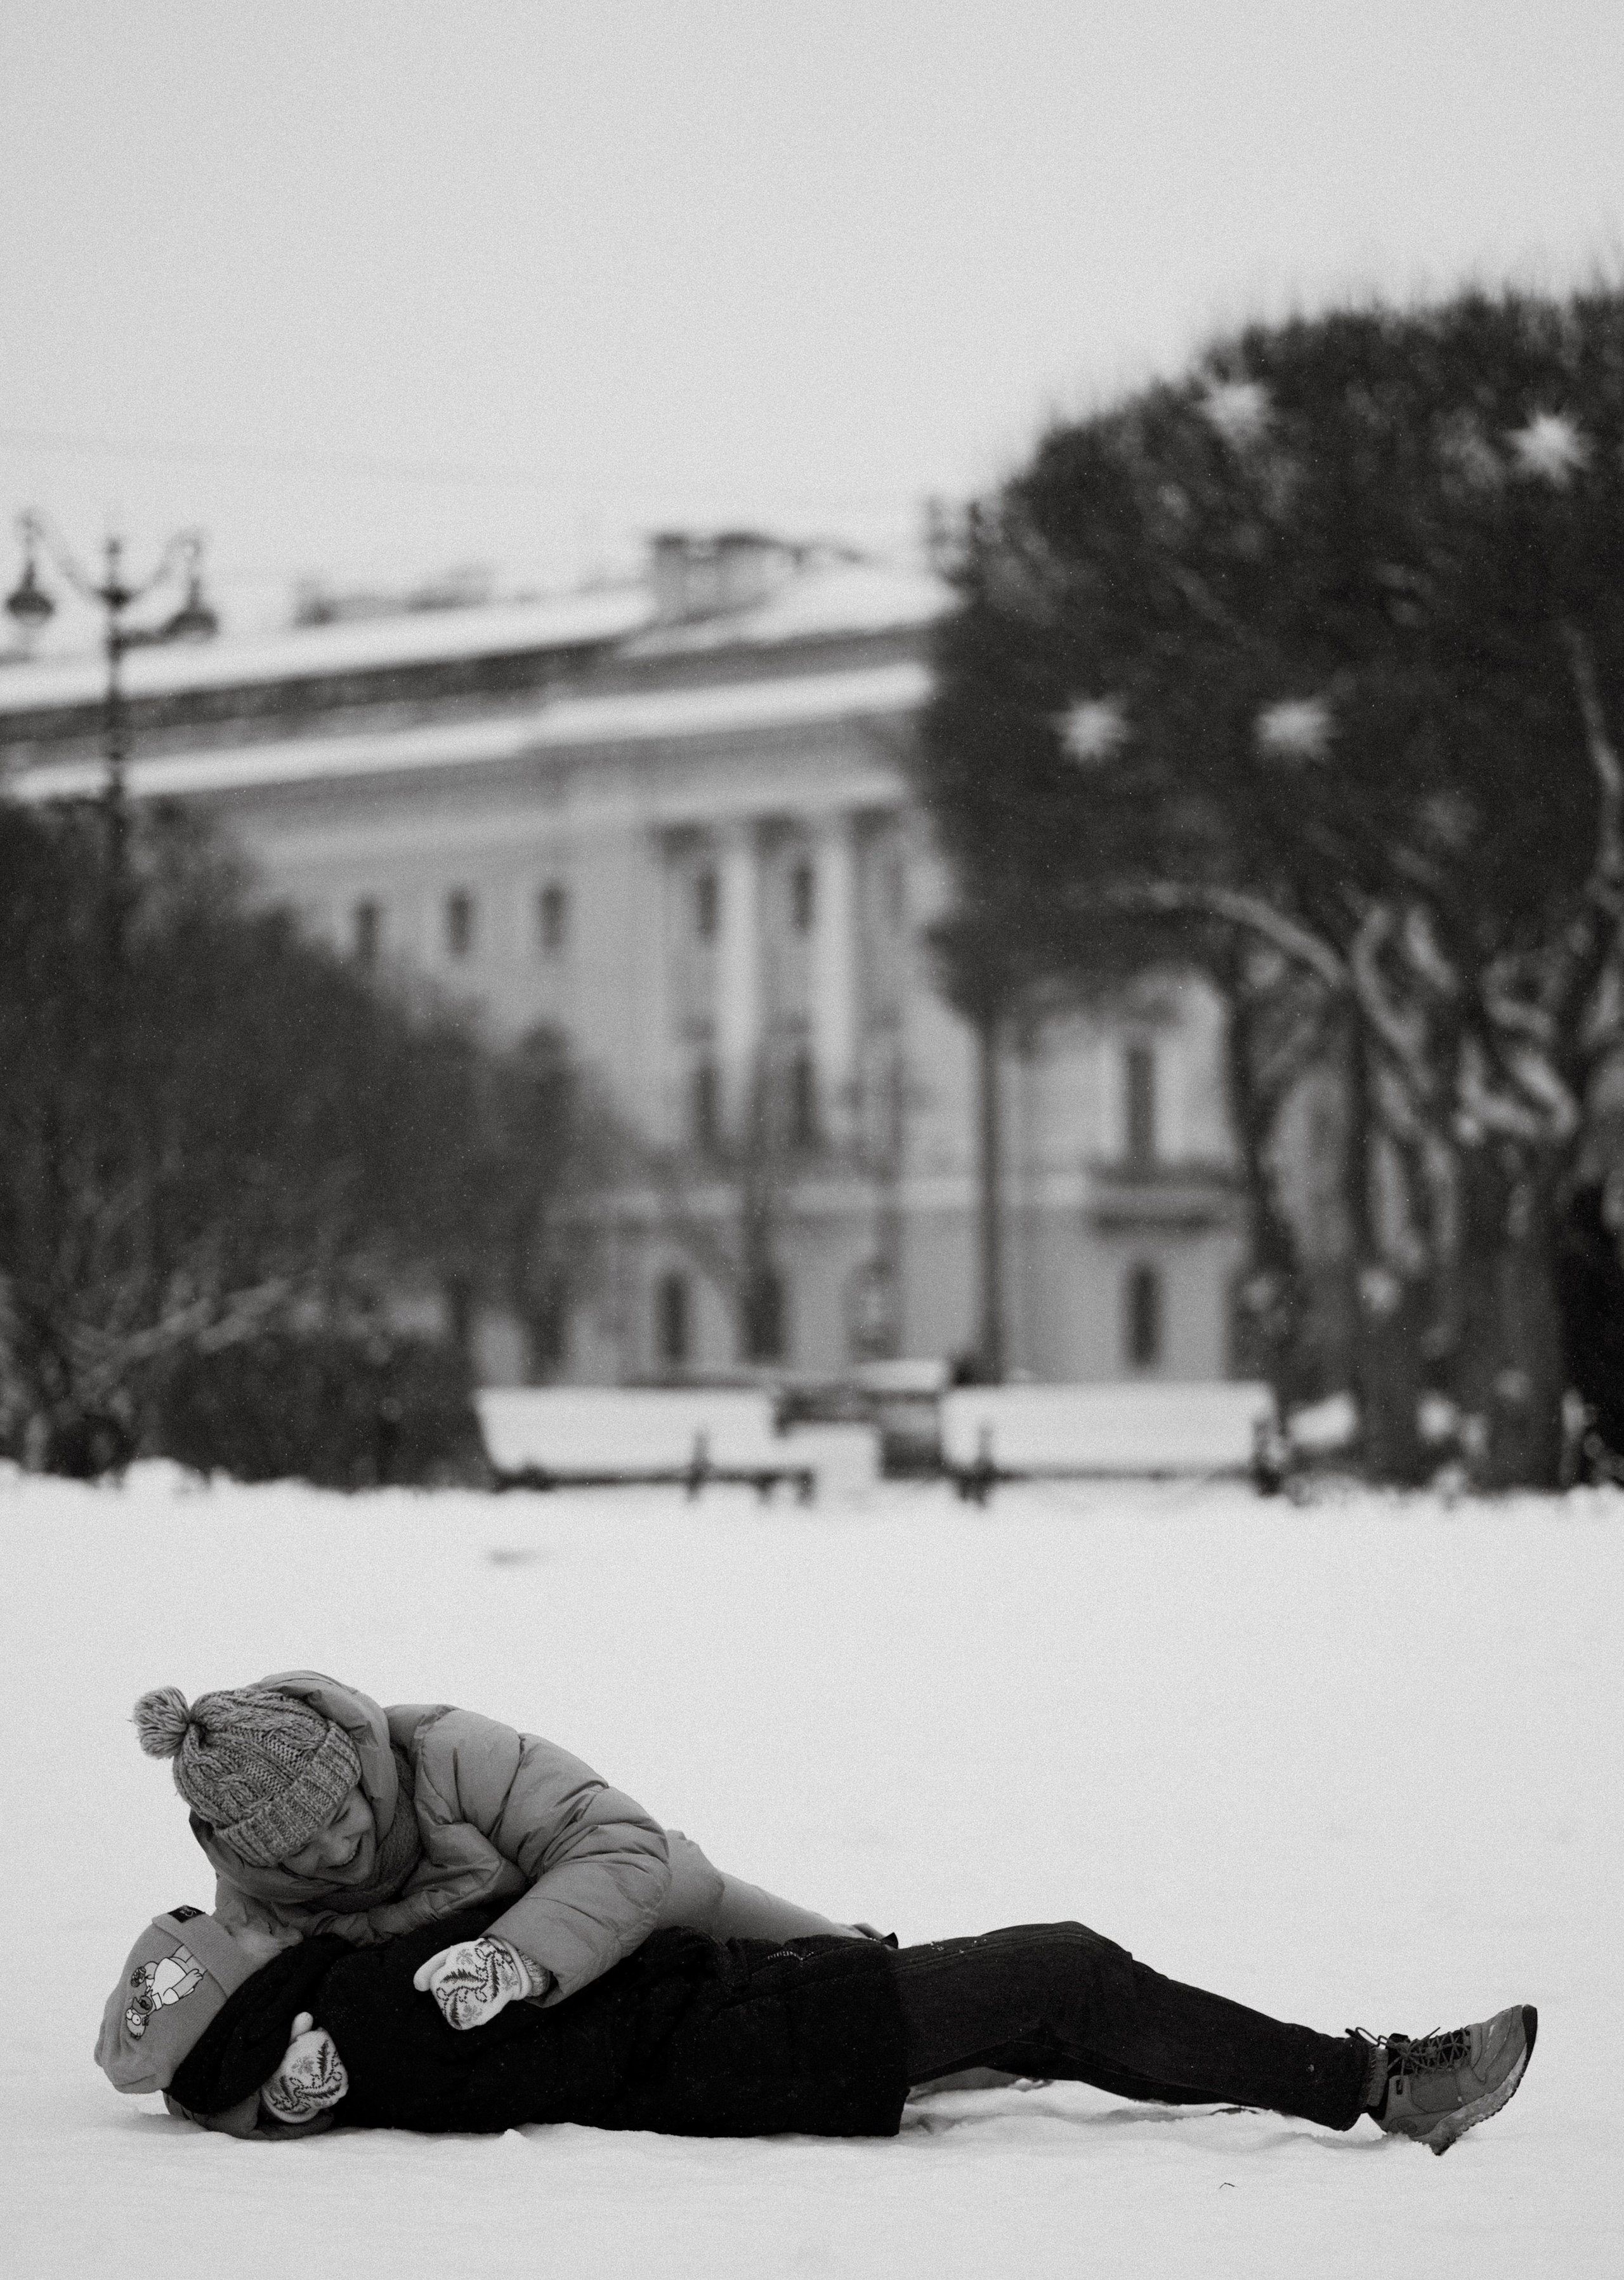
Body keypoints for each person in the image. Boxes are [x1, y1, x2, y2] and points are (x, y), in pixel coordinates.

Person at [95, 1895, 1535, 2158]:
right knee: (1064, 1976)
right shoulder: (358, 2008)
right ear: (233, 1993)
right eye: (223, 1933)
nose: (245, 1914)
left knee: (1054, 2006)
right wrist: (713, 1979)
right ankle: (1382, 2082)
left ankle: (1335, 2077)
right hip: (755, 2037)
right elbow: (577, 2035)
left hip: (749, 2028)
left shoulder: (326, 2047)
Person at [131, 1674, 869, 2027]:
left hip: (645, 1899)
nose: (335, 1847)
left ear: (357, 1769)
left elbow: (616, 1843)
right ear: (261, 1859)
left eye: (338, 1810)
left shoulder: (452, 1754)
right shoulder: (257, 1906)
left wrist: (514, 1956)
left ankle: (874, 1959)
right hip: (546, 2018)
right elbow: (204, 2040)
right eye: (297, 1847)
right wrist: (281, 2088)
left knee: (835, 1958)